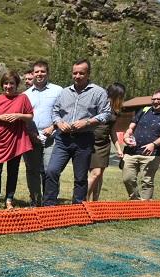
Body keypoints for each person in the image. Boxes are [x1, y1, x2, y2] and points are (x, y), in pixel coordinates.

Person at [42, 59, 111, 206]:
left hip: (84, 139)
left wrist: (87, 122)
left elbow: (105, 114)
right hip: (63, 139)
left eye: (81, 73)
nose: (77, 76)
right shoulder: (64, 92)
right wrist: (59, 122)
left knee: (80, 177)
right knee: (52, 171)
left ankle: (78, 208)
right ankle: (48, 206)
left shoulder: (98, 92)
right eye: (75, 73)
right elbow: (55, 112)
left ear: (88, 74)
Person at [0, 71, 34, 210]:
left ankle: (9, 199)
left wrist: (18, 115)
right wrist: (0, 118)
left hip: (16, 139)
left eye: (12, 83)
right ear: (2, 85)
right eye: (6, 83)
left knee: (13, 170)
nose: (8, 86)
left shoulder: (23, 98)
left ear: (16, 84)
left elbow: (30, 116)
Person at [121, 89, 160, 200]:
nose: (156, 101)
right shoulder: (144, 110)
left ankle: (146, 205)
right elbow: (131, 128)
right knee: (127, 178)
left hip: (152, 154)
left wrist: (153, 145)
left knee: (147, 181)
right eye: (154, 99)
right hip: (131, 152)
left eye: (159, 99)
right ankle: (135, 200)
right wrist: (126, 136)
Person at [24, 60, 63, 206]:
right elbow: (24, 118)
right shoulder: (25, 95)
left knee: (50, 170)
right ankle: (35, 200)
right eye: (36, 72)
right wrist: (31, 133)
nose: (39, 74)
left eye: (42, 71)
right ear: (32, 74)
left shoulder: (58, 90)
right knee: (32, 170)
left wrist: (53, 127)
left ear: (48, 73)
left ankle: (49, 200)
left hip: (52, 136)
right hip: (31, 136)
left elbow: (64, 112)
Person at [87, 83, 126, 201]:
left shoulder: (116, 110)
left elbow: (112, 130)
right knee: (95, 173)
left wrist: (119, 149)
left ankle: (95, 201)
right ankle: (83, 201)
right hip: (90, 141)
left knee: (99, 175)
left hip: (104, 144)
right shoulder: (98, 104)